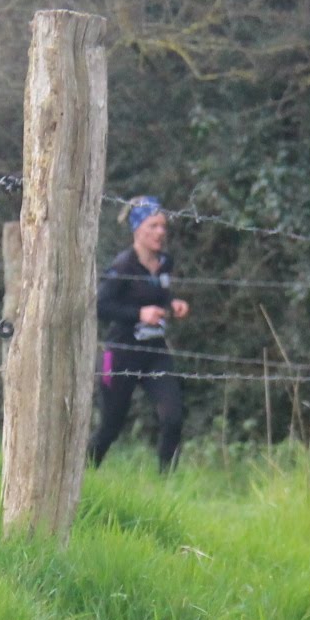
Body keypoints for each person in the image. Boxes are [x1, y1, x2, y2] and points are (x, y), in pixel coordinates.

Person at [90, 195, 189, 471]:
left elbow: (159, 293)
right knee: (110, 426)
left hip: (155, 353)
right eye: (153, 226)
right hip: (119, 354)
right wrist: (139, 314)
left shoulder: (165, 262)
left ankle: (167, 485)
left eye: (163, 226)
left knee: (172, 418)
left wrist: (173, 304)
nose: (160, 232)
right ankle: (83, 474)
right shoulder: (122, 266)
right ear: (137, 229)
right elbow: (100, 306)